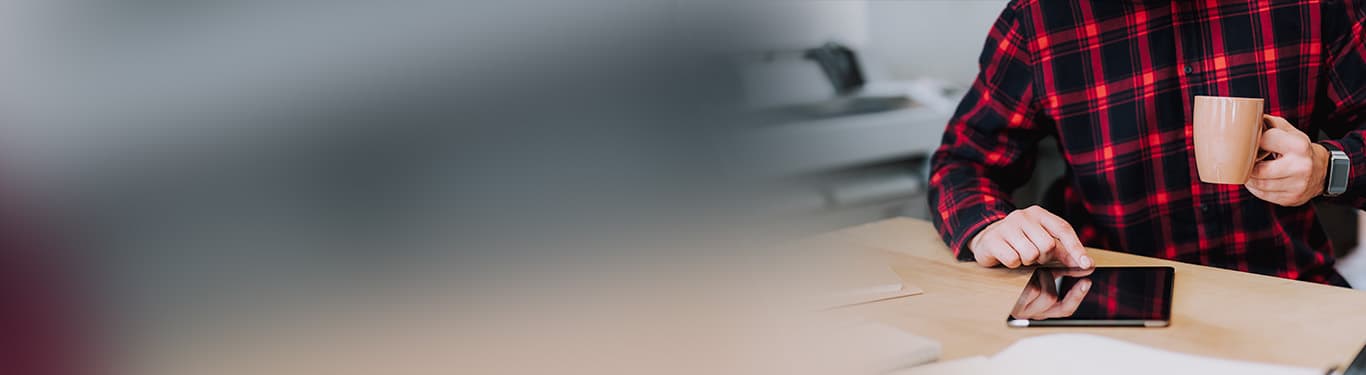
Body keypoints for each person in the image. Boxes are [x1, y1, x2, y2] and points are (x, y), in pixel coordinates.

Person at [929, 0, 1366, 286]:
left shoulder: (1316, 5)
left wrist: (1329, 168)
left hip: (1287, 290)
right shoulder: (1039, 18)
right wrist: (989, 225)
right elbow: (963, 162)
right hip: (1110, 299)